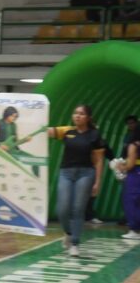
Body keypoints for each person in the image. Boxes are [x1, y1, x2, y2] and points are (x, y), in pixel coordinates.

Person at [47, 105, 106, 257]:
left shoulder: (94, 135)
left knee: (78, 209)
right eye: (75, 113)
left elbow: (99, 160)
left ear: (88, 118)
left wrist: (97, 182)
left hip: (85, 173)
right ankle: (68, 232)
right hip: (66, 173)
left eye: (81, 114)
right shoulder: (67, 131)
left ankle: (75, 243)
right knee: (62, 209)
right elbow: (46, 131)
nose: (77, 116)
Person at [121, 129, 140, 240]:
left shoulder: (134, 145)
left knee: (131, 201)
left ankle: (134, 230)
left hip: (136, 174)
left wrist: (120, 167)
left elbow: (130, 165)